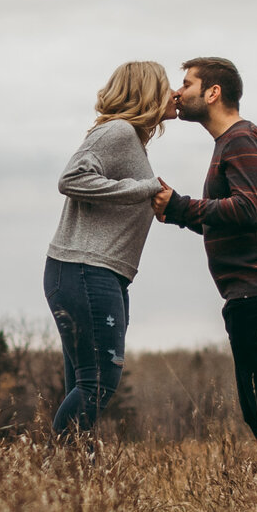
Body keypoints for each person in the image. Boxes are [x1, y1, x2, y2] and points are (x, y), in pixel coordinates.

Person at [152, 57, 257, 452]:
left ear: (213, 92)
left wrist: (183, 206)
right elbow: (232, 217)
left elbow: (245, 209)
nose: (177, 93)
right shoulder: (231, 143)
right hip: (250, 293)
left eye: (186, 84)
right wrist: (175, 211)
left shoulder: (241, 140)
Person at [44, 61, 172, 442]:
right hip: (86, 270)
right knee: (97, 384)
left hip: (90, 273)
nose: (175, 95)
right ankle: (53, 473)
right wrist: (142, 188)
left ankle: (73, 489)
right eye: (167, 87)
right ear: (148, 92)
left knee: (85, 384)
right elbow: (71, 178)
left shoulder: (128, 139)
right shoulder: (117, 131)